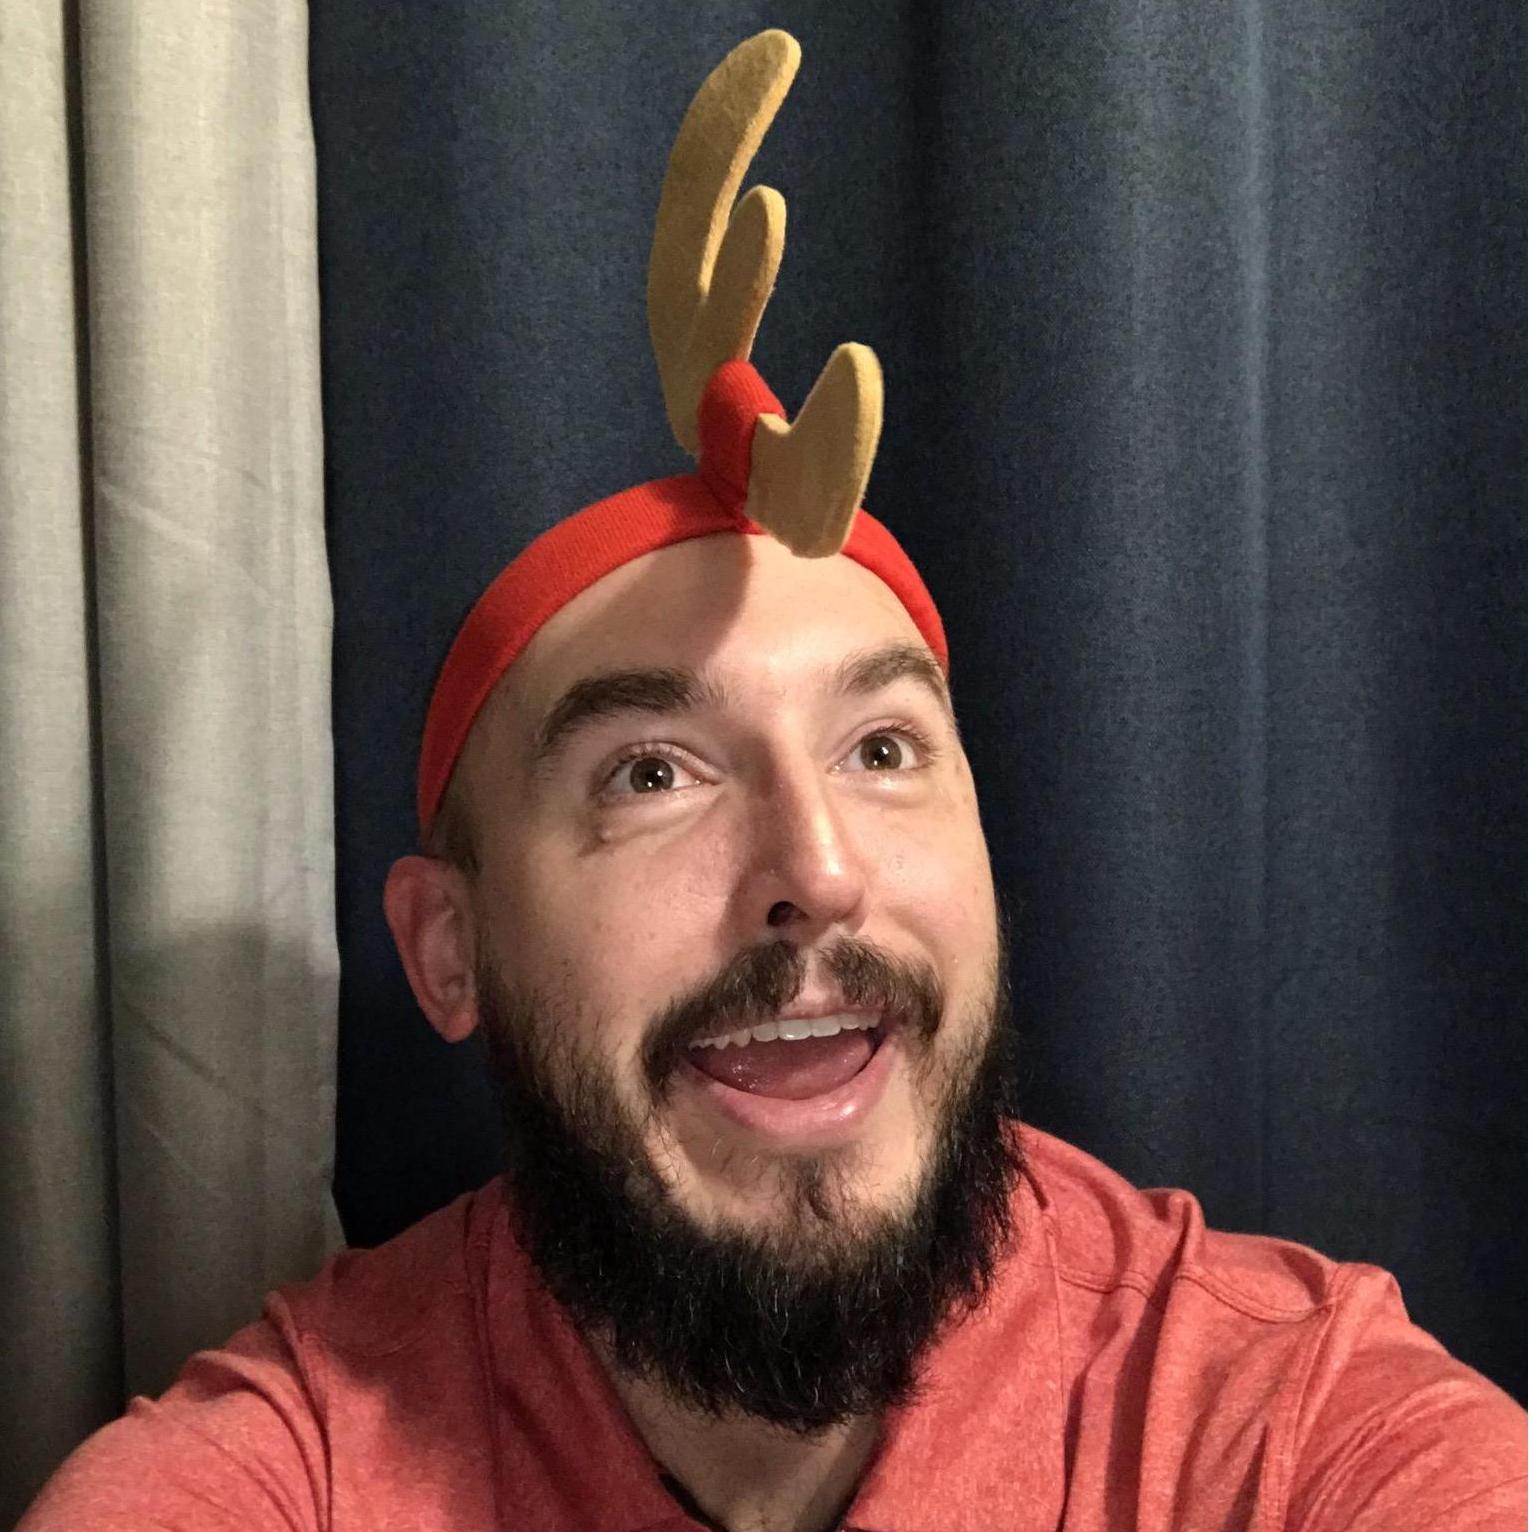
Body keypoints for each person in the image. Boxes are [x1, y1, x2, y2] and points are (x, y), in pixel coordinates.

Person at [20, 31, 1526, 1532]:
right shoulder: (287, 1474)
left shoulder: (1288, 1427)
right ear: (447, 948)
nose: (818, 868)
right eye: (651, 773)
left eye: (884, 750)